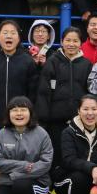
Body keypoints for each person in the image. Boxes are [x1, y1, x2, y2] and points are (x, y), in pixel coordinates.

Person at [36, 27, 92, 166]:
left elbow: (90, 93)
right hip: (55, 121)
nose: (71, 44)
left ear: (81, 43)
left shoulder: (86, 64)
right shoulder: (52, 61)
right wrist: (43, 119)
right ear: (61, 42)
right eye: (68, 40)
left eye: (75, 41)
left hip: (80, 122)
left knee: (76, 156)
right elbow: (43, 92)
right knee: (56, 157)